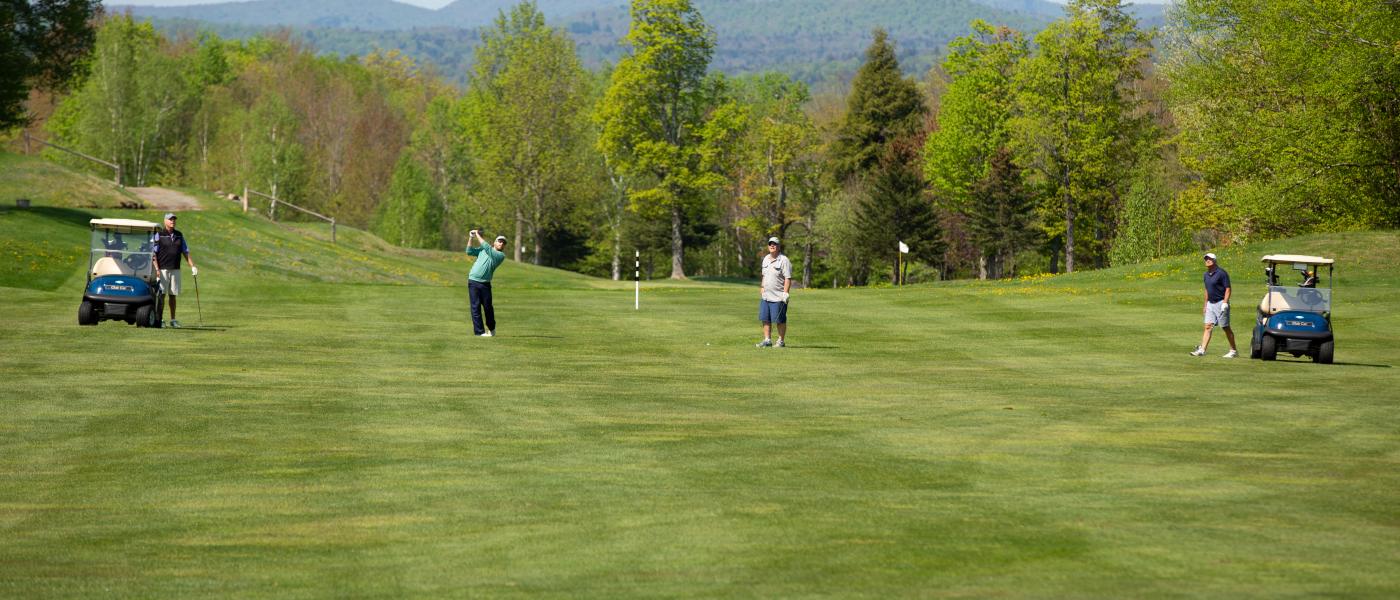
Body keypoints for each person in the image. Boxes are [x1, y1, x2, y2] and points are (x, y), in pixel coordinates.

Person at [150, 212, 197, 328]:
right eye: (170, 219)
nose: (173, 221)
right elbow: (153, 254)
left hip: (175, 269)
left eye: (174, 219)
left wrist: (193, 266)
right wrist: (156, 269)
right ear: (165, 221)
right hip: (162, 270)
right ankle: (159, 319)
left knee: (173, 295)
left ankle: (173, 320)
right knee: (161, 295)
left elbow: (185, 251)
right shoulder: (158, 235)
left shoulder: (179, 235)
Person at [1191, 252, 1236, 358]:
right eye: (1206, 259)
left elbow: (1228, 288)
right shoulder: (1205, 275)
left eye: (1210, 259)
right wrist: (1205, 304)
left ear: (1214, 260)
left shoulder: (1221, 273)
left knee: (1225, 327)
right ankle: (1202, 350)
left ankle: (1233, 350)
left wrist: (1225, 302)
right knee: (1207, 326)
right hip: (1210, 303)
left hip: (1221, 303)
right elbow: (1207, 290)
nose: (1207, 260)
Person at [465, 230, 507, 337]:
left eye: (503, 243)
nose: (501, 243)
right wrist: (471, 237)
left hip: (485, 284)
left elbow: (487, 248)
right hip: (473, 281)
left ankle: (491, 328)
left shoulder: (500, 255)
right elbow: (469, 251)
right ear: (495, 242)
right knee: (475, 307)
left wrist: (477, 234)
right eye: (499, 241)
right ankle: (480, 332)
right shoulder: (483, 249)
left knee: (488, 308)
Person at [756, 236, 792, 348]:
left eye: (775, 244)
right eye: (770, 244)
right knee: (765, 318)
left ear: (779, 246)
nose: (772, 245)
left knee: (779, 320)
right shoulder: (766, 258)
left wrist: (785, 293)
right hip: (766, 295)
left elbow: (787, 278)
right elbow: (764, 275)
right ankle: (767, 340)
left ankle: (781, 341)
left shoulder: (784, 260)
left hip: (778, 296)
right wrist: (762, 287)